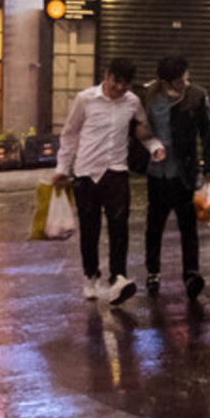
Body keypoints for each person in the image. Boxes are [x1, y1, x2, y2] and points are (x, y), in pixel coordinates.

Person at [53, 58, 164, 306]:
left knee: (119, 228)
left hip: (116, 171)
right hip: (86, 173)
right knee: (89, 229)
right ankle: (90, 276)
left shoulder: (133, 102)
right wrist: (62, 167)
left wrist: (155, 147)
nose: (120, 89)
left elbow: (142, 131)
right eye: (116, 83)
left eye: (125, 85)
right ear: (107, 76)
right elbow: (69, 135)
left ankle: (118, 278)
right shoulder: (85, 99)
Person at [139, 54, 210, 300]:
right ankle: (153, 271)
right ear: (166, 81)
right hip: (156, 174)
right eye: (180, 79)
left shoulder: (196, 95)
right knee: (154, 226)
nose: (185, 82)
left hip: (184, 172)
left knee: (188, 227)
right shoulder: (148, 96)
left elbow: (209, 131)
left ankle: (191, 273)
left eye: (186, 77)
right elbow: (136, 128)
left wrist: (209, 166)